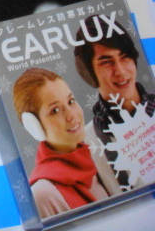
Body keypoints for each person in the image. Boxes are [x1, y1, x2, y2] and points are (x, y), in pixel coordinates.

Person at [13, 68, 109, 219]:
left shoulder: (98, 158)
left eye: (71, 101)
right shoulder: (43, 195)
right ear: (35, 126)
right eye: (55, 110)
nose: (72, 115)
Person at [74, 14, 155, 190]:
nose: (120, 71)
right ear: (88, 72)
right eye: (106, 62)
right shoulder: (86, 144)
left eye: (125, 57)